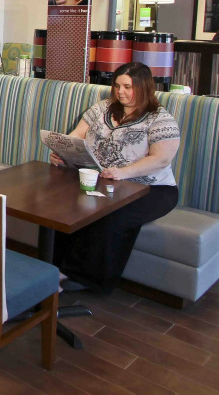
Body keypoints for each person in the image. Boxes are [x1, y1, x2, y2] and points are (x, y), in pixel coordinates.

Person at [49, 62, 180, 294]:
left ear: (144, 87)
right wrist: (63, 150)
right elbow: (78, 134)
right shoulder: (103, 108)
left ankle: (86, 278)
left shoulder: (160, 119)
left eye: (128, 87)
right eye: (117, 86)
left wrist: (123, 172)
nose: (121, 92)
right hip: (104, 181)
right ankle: (56, 267)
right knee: (63, 202)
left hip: (151, 188)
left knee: (111, 216)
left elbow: (161, 159)